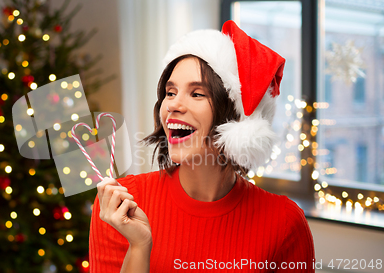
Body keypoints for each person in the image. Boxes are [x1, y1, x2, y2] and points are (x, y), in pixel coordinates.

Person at [89, 20, 315, 272]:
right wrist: (140, 246)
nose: (173, 104)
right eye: (170, 92)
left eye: (197, 94)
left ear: (236, 119)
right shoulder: (120, 205)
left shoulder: (284, 222)